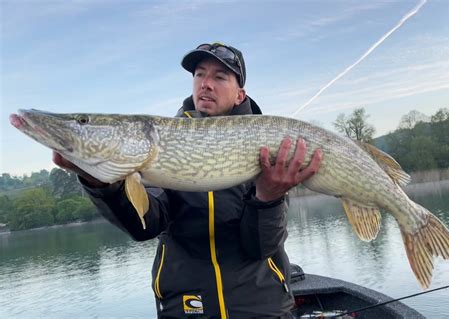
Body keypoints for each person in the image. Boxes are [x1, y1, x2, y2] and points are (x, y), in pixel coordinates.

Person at [53, 42, 323, 318]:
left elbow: (260, 247)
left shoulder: (264, 143)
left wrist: (269, 197)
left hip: (261, 308)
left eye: (219, 77)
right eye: (199, 74)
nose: (206, 84)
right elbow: (145, 224)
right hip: (187, 308)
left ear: (240, 95)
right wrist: (103, 185)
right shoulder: (160, 146)